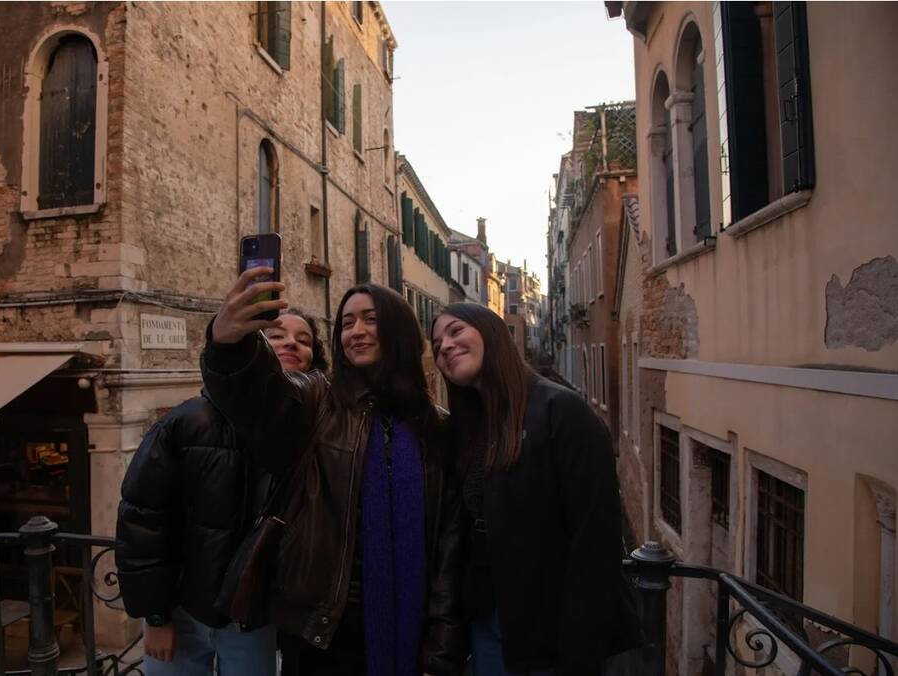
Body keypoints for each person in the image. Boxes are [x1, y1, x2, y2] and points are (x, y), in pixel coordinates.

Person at [200, 267, 465, 676]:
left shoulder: (437, 426)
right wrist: (227, 341)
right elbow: (259, 393)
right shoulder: (317, 398)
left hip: (412, 625)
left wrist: (445, 642)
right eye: (346, 322)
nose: (356, 331)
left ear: (399, 331)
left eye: (370, 319)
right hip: (321, 631)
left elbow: (450, 544)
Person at [430, 303, 640, 676]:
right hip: (490, 625)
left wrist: (578, 653)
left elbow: (596, 542)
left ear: (491, 334)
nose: (444, 345)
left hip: (554, 635)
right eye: (436, 343)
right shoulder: (467, 427)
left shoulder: (562, 411)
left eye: (456, 331)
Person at [116, 308, 328, 676]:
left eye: (304, 339)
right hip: (184, 612)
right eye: (277, 334)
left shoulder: (321, 429)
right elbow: (143, 521)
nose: (292, 342)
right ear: (254, 346)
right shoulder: (185, 423)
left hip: (255, 617)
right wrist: (155, 614)